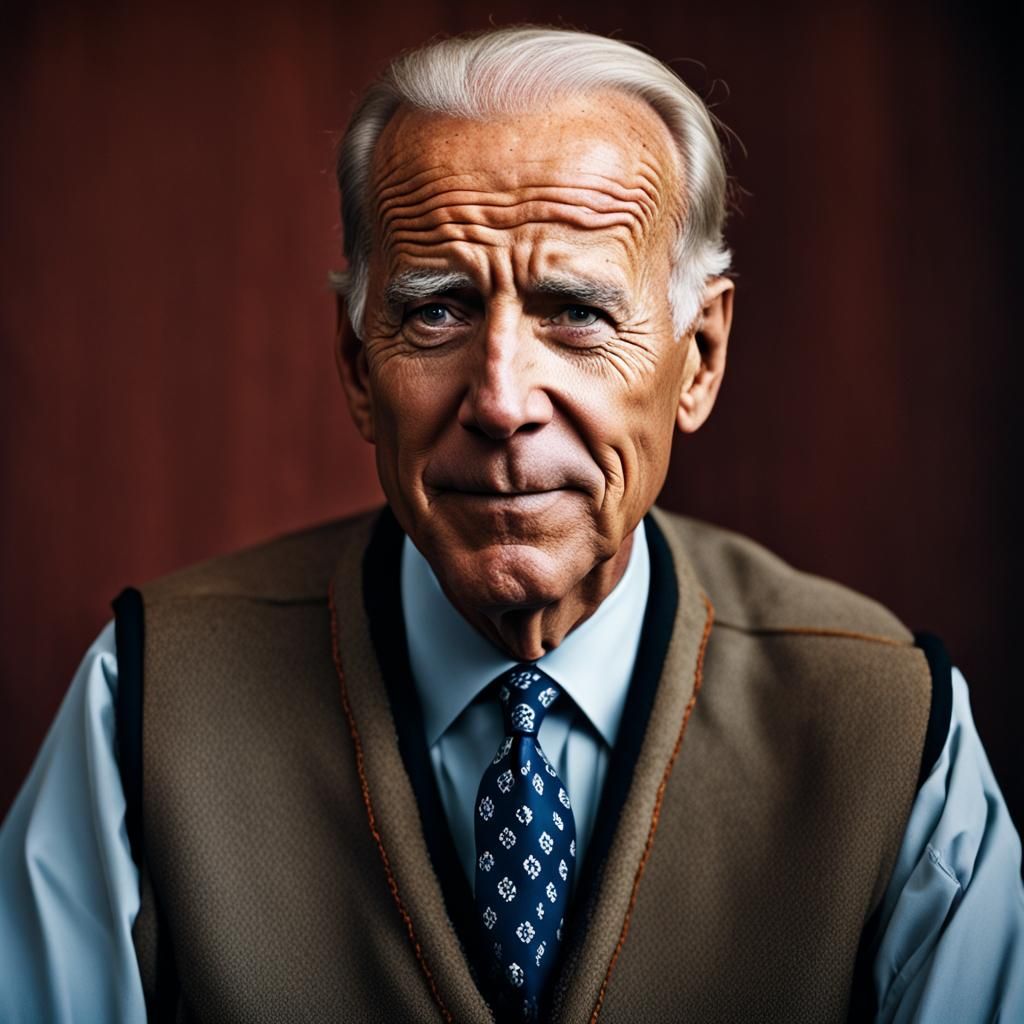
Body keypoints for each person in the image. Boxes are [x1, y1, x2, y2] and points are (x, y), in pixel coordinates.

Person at [1, 25, 1022, 1024]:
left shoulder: (892, 728)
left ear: (698, 356)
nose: (500, 399)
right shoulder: (145, 701)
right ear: (358, 367)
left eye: (575, 312)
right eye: (436, 310)